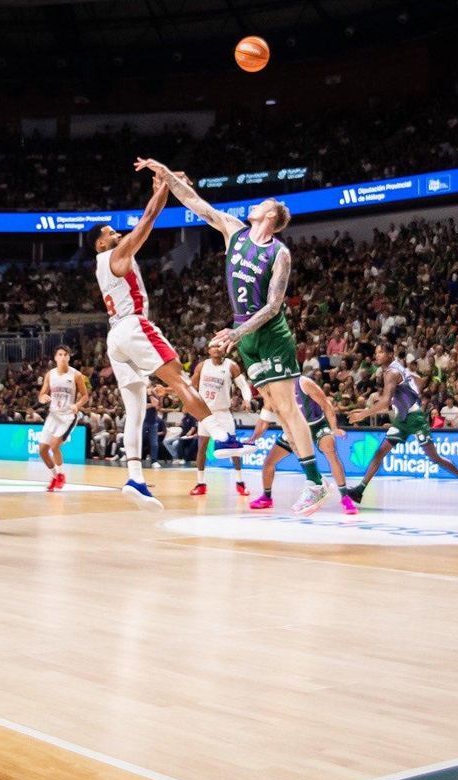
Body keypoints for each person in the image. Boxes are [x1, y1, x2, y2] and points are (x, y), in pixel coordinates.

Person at [137, 157, 327, 515]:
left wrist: (237, 332)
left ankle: (316, 483)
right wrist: (163, 173)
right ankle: (313, 478)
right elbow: (197, 203)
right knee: (277, 409)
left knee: (287, 407)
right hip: (247, 337)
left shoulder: (279, 253)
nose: (255, 205)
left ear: (271, 216)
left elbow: (272, 306)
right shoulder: (233, 230)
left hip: (269, 334)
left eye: (262, 205)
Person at [88, 175, 243, 511]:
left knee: (135, 409)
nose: (115, 234)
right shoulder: (116, 255)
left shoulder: (101, 265)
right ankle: (222, 436)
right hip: (133, 325)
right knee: (180, 379)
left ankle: (135, 478)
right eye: (109, 233)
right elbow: (148, 219)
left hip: (115, 337)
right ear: (101, 244)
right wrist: (164, 186)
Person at [343, 343, 458, 507]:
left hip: (414, 418)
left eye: (380, 352)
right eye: (376, 352)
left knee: (435, 457)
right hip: (402, 419)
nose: (377, 355)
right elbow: (417, 382)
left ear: (390, 354)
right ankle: (360, 490)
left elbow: (386, 401)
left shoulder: (392, 372)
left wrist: (363, 414)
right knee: (379, 453)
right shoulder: (397, 368)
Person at [248, 375, 358, 515]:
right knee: (269, 462)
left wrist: (334, 428)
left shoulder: (303, 382)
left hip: (317, 425)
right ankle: (266, 498)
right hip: (294, 430)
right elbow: (264, 420)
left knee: (330, 450)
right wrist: (253, 438)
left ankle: (345, 497)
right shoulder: (274, 389)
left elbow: (326, 404)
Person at [189, 345, 253, 496]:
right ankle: (200, 483)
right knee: (202, 447)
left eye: (219, 346)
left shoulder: (231, 365)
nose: (216, 349)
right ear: (208, 350)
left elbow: (243, 385)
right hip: (205, 413)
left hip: (223, 413)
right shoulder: (202, 366)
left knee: (234, 448)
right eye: (213, 346)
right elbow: (190, 386)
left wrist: (247, 400)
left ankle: (240, 482)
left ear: (224, 350)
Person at [37, 346, 90, 492]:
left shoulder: (77, 375)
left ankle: (61, 475)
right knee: (42, 450)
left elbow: (85, 395)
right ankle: (55, 476)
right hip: (53, 415)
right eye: (60, 354)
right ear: (55, 357)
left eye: (65, 355)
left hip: (68, 416)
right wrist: (43, 398)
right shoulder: (50, 374)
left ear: (69, 357)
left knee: (54, 445)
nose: (62, 357)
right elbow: (41, 394)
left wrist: (77, 405)